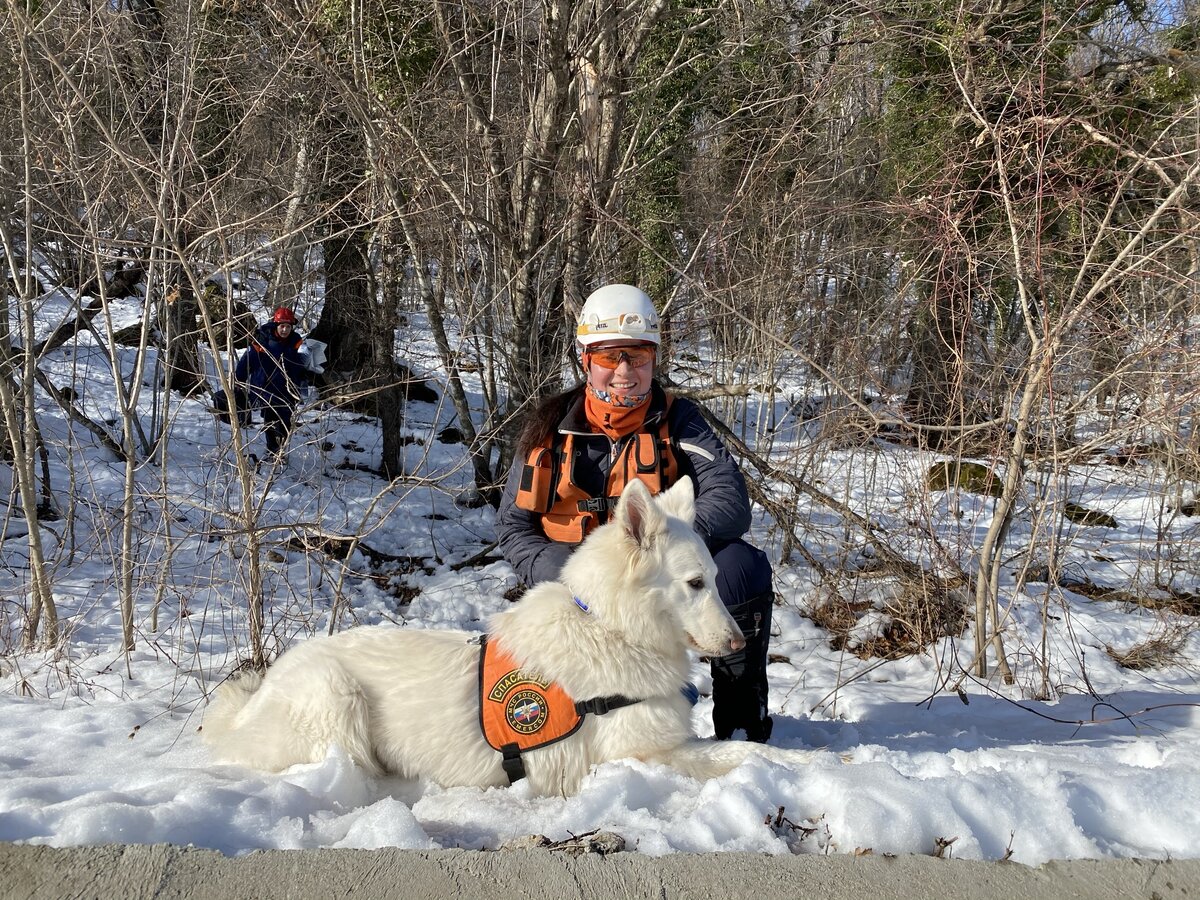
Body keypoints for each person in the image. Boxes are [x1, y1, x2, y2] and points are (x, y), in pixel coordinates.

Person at [495, 284, 775, 742]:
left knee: (740, 566)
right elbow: (512, 525)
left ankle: (741, 723)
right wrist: (565, 574)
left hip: (653, 580)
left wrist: (670, 546)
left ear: (654, 360)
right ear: (586, 360)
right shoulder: (548, 427)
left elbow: (729, 499)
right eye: (610, 356)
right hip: (574, 594)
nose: (625, 371)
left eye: (639, 356)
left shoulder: (680, 421)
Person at [215, 306, 311, 457]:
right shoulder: (263, 340)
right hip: (266, 388)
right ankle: (273, 449)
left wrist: (305, 374)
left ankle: (281, 450)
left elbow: (300, 364)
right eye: (282, 326)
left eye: (288, 327)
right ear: (276, 324)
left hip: (288, 389)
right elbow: (248, 360)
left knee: (285, 420)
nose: (285, 330)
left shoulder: (296, 342)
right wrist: (238, 379)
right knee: (270, 420)